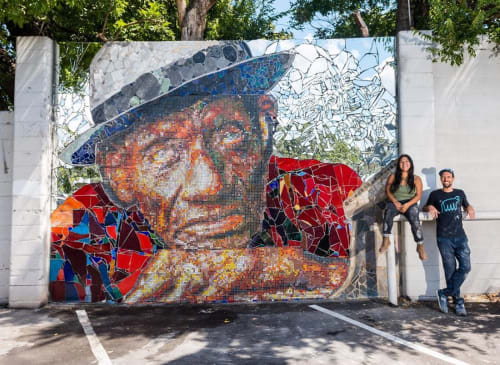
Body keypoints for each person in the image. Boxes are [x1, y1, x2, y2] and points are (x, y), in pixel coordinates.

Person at [50, 41, 356, 303]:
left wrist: (300, 268)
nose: (210, 185)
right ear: (118, 171)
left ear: (263, 127)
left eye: (229, 134)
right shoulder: (83, 224)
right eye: (163, 152)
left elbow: (389, 268)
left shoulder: (325, 189)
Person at [424, 168, 475, 316]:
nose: (446, 179)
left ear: (453, 178)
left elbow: (466, 205)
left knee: (466, 267)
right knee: (450, 270)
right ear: (441, 179)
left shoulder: (460, 193)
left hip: (460, 237)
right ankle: (458, 302)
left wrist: (470, 207)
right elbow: (425, 206)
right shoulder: (435, 194)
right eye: (443, 177)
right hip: (444, 238)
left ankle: (444, 293)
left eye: (448, 177)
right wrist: (431, 206)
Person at [379, 154, 427, 261]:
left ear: (410, 164)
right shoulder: (393, 176)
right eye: (402, 162)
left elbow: (418, 195)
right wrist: (395, 202)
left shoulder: (416, 179)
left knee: (414, 216)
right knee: (388, 212)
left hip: (410, 203)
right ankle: (386, 240)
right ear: (399, 165)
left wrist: (407, 205)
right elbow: (387, 191)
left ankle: (420, 245)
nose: (404, 164)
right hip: (395, 202)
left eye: (407, 161)